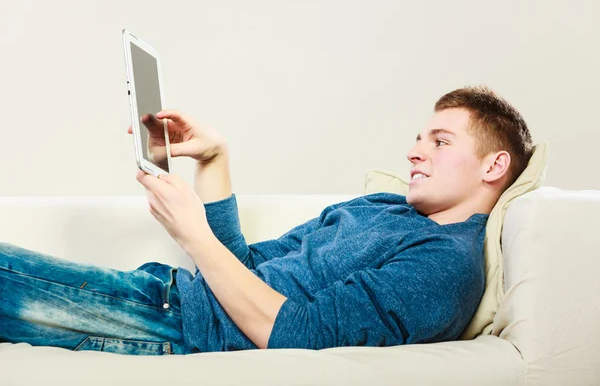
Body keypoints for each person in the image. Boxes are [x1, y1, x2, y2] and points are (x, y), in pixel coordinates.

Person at [0, 85, 533, 355]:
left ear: (494, 165)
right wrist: (215, 160)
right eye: (420, 139)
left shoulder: (445, 266)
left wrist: (192, 233)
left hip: (175, 325)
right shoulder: (383, 208)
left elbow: (299, 335)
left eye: (440, 142)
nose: (416, 153)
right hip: (168, 295)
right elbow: (246, 268)